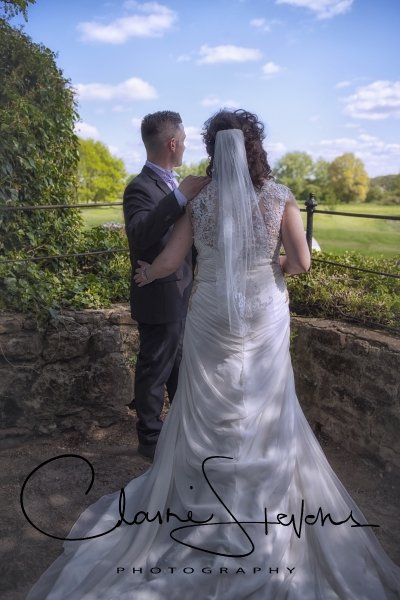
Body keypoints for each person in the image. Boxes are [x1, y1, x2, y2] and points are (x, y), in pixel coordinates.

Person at [27, 109, 400, 599]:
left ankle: (198, 497)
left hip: (210, 313)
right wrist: (273, 265)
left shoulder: (199, 200)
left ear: (212, 149)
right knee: (264, 396)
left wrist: (148, 274)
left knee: (206, 400)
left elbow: (170, 260)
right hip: (263, 309)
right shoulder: (279, 196)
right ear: (254, 148)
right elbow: (302, 263)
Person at [123, 110, 209, 460]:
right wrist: (179, 198)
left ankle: (180, 431)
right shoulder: (139, 188)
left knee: (180, 367)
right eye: (184, 140)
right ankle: (150, 438)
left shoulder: (176, 184)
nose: (186, 145)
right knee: (154, 369)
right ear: (172, 144)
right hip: (158, 296)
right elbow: (140, 235)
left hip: (184, 293)